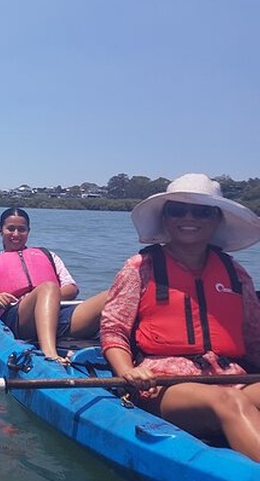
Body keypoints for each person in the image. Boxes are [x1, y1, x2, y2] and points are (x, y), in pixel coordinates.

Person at [101, 173, 260, 461]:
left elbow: (253, 336)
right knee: (228, 402)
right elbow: (114, 330)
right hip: (165, 385)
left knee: (230, 396)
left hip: (232, 378)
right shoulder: (140, 267)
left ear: (216, 220)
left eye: (202, 211)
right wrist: (127, 370)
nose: (189, 217)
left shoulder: (236, 273)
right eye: (178, 210)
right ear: (165, 218)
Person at [0, 207, 106, 364]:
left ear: (28, 231)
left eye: (21, 229)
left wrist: (43, 298)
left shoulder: (50, 256)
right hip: (19, 320)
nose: (16, 234)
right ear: (0, 231)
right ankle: (50, 353)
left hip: (58, 317)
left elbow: (71, 288)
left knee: (111, 295)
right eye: (10, 229)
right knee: (48, 287)